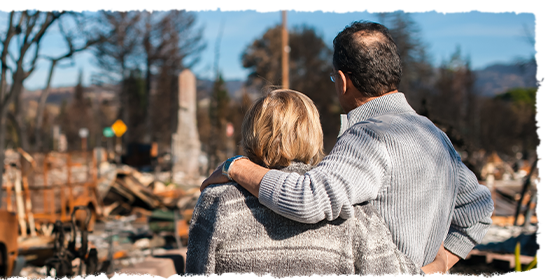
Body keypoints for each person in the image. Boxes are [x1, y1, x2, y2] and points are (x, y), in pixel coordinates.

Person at [200, 21, 494, 278]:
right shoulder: (434, 136)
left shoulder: (369, 136)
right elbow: (479, 209)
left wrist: (236, 166)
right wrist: (440, 263)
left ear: (342, 81)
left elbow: (308, 198)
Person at [186, 89, 447, 280]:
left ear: (251, 133)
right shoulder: (352, 210)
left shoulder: (216, 201)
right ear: (314, 134)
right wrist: (438, 267)